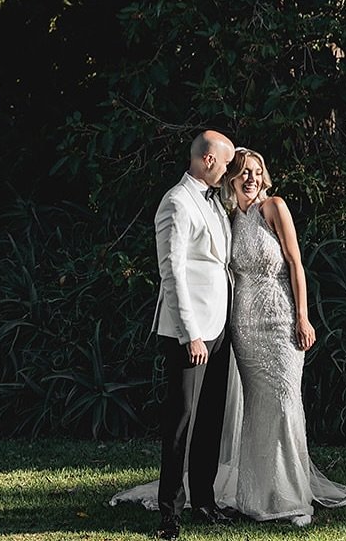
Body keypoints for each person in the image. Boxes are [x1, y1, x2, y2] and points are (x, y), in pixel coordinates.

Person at [221, 146, 346, 525]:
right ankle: (256, 496)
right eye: (243, 171)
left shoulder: (274, 207)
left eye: (256, 170)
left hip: (280, 319)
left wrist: (303, 317)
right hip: (243, 325)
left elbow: (296, 263)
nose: (250, 177)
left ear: (264, 175)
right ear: (232, 177)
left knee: (284, 401)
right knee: (257, 409)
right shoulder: (232, 217)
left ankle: (293, 497)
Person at [120, 129, 235, 541]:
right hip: (192, 333)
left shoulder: (215, 202)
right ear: (207, 160)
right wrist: (191, 334)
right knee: (181, 420)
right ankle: (170, 512)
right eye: (224, 162)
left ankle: (205, 500)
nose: (227, 169)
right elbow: (172, 273)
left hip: (219, 328)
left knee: (209, 420)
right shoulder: (176, 202)